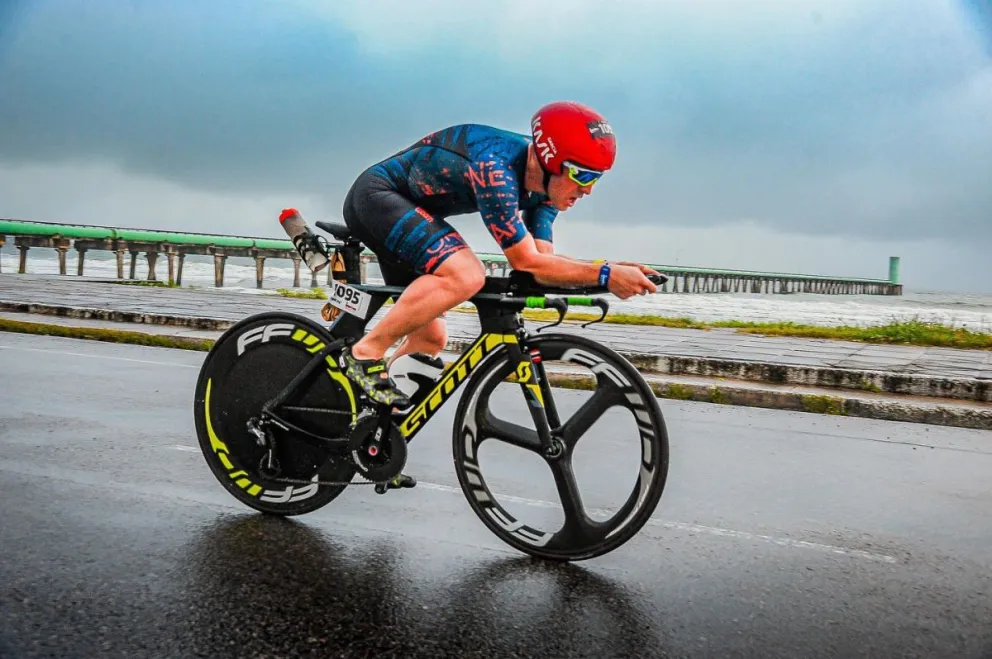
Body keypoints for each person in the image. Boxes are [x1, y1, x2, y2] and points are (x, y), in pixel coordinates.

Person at [339, 100, 660, 427]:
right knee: (466, 275)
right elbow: (526, 262)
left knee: (429, 339)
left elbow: (542, 265)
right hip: (377, 196)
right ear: (550, 161)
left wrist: (613, 269)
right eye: (583, 175)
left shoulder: (545, 195)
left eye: (597, 178)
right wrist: (606, 274)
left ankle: (367, 432)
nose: (588, 190)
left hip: (410, 209)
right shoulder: (496, 169)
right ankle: (362, 354)